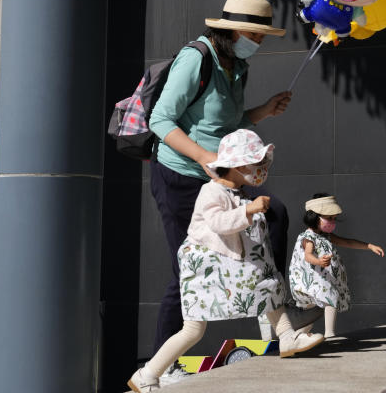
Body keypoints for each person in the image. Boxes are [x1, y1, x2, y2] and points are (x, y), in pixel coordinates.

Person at [147, 0, 294, 383]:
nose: (258, 43)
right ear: (231, 31)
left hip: (221, 179)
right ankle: (161, 369)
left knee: (273, 213)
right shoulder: (196, 58)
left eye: (262, 37)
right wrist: (200, 156)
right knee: (188, 271)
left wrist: (262, 111)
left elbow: (226, 125)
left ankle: (276, 315)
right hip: (180, 176)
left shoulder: (237, 67)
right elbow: (161, 121)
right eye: (255, 35)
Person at [128, 130, 324, 392]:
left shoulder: (239, 192)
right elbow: (218, 223)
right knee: (193, 330)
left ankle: (287, 338)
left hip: (228, 267)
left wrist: (249, 209)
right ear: (236, 166)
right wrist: (248, 210)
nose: (261, 169)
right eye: (255, 164)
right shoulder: (211, 192)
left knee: (270, 288)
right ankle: (147, 374)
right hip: (204, 273)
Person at [287, 194, 385, 339]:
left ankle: (297, 337)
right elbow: (308, 255)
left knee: (310, 314)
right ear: (315, 217)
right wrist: (319, 261)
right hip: (311, 279)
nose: (332, 222)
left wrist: (369, 246)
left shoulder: (325, 236)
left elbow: (348, 242)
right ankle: (329, 334)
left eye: (334, 218)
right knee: (330, 297)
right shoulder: (308, 237)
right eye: (329, 218)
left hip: (321, 280)